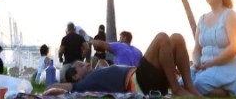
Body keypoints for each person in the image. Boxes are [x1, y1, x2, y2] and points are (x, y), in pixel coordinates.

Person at [43, 32, 199, 96]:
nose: (84, 64)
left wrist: (96, 64)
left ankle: (189, 86)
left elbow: (104, 64)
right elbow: (55, 88)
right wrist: (40, 93)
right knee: (162, 37)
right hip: (139, 81)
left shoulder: (96, 74)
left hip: (148, 77)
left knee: (177, 38)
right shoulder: (83, 84)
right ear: (76, 75)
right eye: (80, 65)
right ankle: (177, 88)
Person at [192, 0, 236, 96]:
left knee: (199, 84)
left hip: (227, 67)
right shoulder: (202, 19)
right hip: (206, 67)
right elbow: (197, 48)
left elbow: (235, 46)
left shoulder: (230, 15)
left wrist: (212, 63)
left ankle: (226, 92)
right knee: (183, 82)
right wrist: (196, 62)